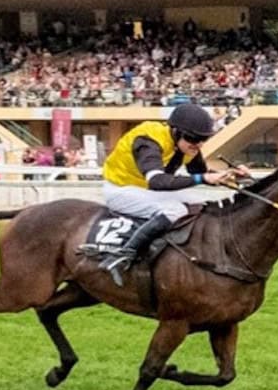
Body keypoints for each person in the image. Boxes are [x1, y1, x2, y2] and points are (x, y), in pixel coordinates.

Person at [97, 103, 248, 286]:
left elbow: (201, 172)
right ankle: (124, 255)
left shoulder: (187, 146)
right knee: (174, 211)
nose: (198, 144)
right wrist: (204, 178)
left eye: (203, 139)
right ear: (175, 132)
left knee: (199, 203)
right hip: (121, 189)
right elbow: (158, 182)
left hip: (146, 190)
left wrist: (232, 174)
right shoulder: (148, 141)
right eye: (193, 138)